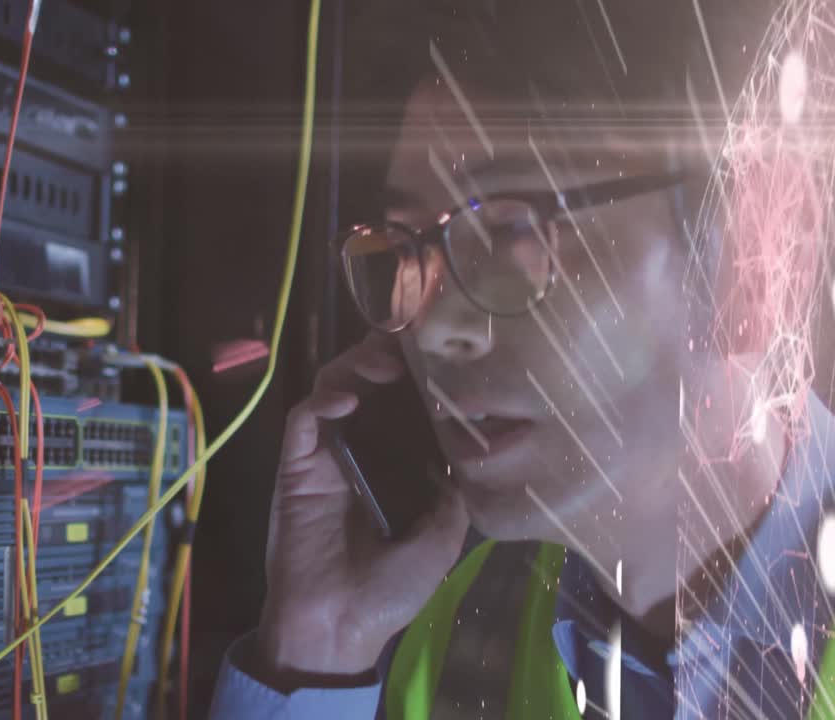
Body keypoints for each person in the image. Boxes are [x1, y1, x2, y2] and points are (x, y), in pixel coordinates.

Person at [209, 0, 835, 717]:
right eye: (408, 245)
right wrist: (317, 652)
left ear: (746, 261)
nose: (434, 327)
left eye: (512, 231)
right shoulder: (453, 626)